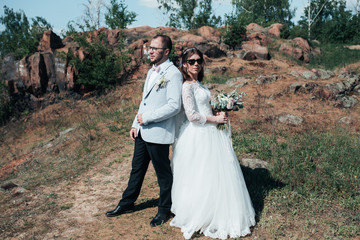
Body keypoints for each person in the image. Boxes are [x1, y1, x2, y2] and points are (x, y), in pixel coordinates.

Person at [170, 48, 256, 239]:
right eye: (191, 61)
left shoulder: (199, 84)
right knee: (201, 172)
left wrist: (219, 112)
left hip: (210, 131)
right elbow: (191, 115)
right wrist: (215, 120)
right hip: (197, 134)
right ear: (184, 64)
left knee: (216, 172)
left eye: (199, 61)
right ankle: (200, 211)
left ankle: (219, 208)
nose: (196, 64)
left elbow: (205, 108)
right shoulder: (187, 86)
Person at [105, 35, 183, 227]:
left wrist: (146, 118)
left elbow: (174, 106)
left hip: (158, 132)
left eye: (155, 48)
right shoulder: (151, 72)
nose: (150, 51)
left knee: (163, 175)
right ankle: (127, 203)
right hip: (142, 131)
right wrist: (135, 124)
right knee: (136, 170)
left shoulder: (173, 74)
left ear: (166, 52)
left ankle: (165, 210)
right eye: (150, 47)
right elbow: (144, 101)